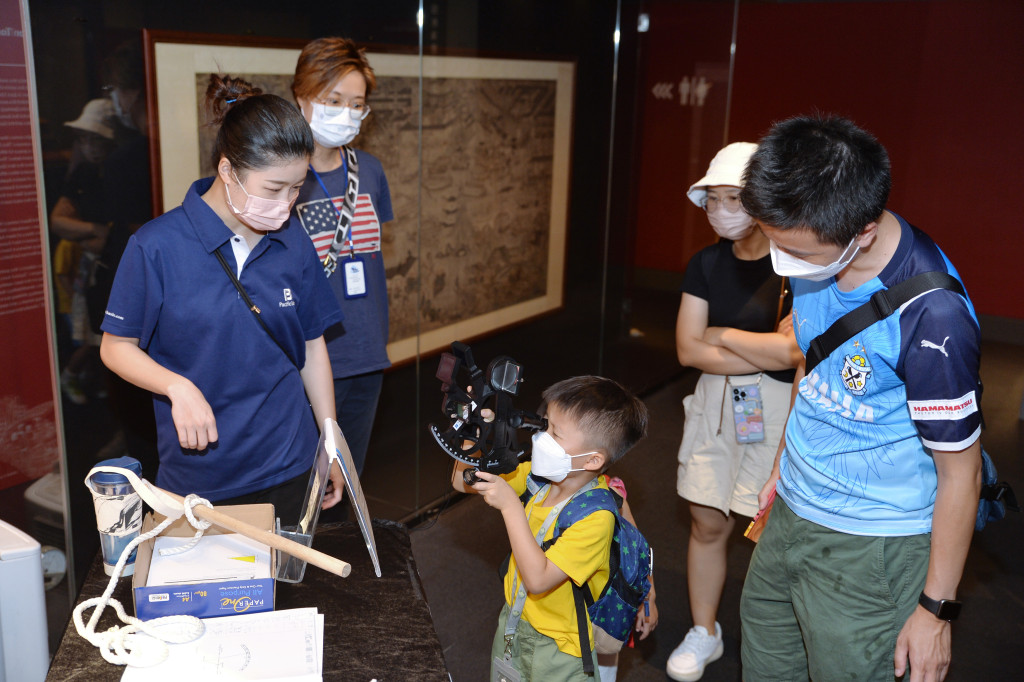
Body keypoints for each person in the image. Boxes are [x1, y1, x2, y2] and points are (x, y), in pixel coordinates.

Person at [737, 115, 982, 682]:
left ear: (863, 232)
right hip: (791, 512)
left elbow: (961, 476)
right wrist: (782, 465)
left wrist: (935, 611)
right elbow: (812, 358)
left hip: (870, 549)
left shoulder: (932, 318)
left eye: (794, 250)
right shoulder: (814, 240)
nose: (781, 262)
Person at [99, 74, 346, 524]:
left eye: (297, 188)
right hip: (202, 479)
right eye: (274, 189)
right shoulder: (156, 246)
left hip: (289, 464)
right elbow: (115, 346)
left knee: (288, 589)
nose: (287, 204)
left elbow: (311, 345)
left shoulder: (293, 241)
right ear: (228, 170)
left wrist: (330, 440)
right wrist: (176, 386)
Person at [667, 143, 800, 682]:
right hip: (714, 406)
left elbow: (793, 354)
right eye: (713, 199)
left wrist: (720, 335)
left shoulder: (795, 266)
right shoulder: (704, 263)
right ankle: (705, 631)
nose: (722, 209)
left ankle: (775, 642)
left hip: (778, 408)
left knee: (767, 526)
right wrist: (756, 344)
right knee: (706, 520)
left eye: (735, 198)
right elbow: (686, 350)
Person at [451, 376, 651, 681]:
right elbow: (462, 481)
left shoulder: (596, 518)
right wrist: (474, 432)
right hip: (514, 623)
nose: (541, 437)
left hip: (560, 648)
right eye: (545, 425)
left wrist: (511, 507)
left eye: (555, 433)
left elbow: (538, 579)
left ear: (593, 459)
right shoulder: (537, 477)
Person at [290, 37, 394, 477]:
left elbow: (370, 258)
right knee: (300, 489)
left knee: (347, 482)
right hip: (305, 360)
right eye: (333, 100)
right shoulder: (279, 176)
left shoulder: (369, 170)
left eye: (357, 103)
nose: (346, 113)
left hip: (367, 352)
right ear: (301, 97)